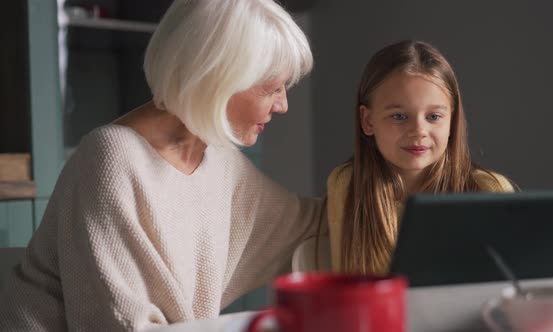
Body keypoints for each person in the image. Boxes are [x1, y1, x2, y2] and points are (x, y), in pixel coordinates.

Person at [0, 0, 323, 330]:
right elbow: (121, 324)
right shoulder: (112, 158)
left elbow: (315, 223)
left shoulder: (219, 160)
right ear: (219, 76)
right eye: (272, 88)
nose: (282, 105)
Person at [326, 40, 515, 276]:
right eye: (399, 116)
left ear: (452, 122)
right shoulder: (347, 184)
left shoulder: (489, 190)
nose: (418, 130)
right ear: (368, 121)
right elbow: (352, 284)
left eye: (434, 116)